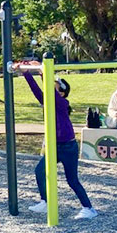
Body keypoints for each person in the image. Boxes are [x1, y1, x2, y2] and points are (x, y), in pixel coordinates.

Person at [15, 64, 98, 219]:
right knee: (39, 171)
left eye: (55, 86)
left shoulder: (62, 103)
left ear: (62, 92)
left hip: (68, 146)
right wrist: (26, 73)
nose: (51, 88)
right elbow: (37, 91)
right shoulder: (48, 101)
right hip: (54, 146)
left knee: (72, 180)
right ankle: (46, 201)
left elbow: (50, 91)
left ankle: (89, 208)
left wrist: (43, 73)